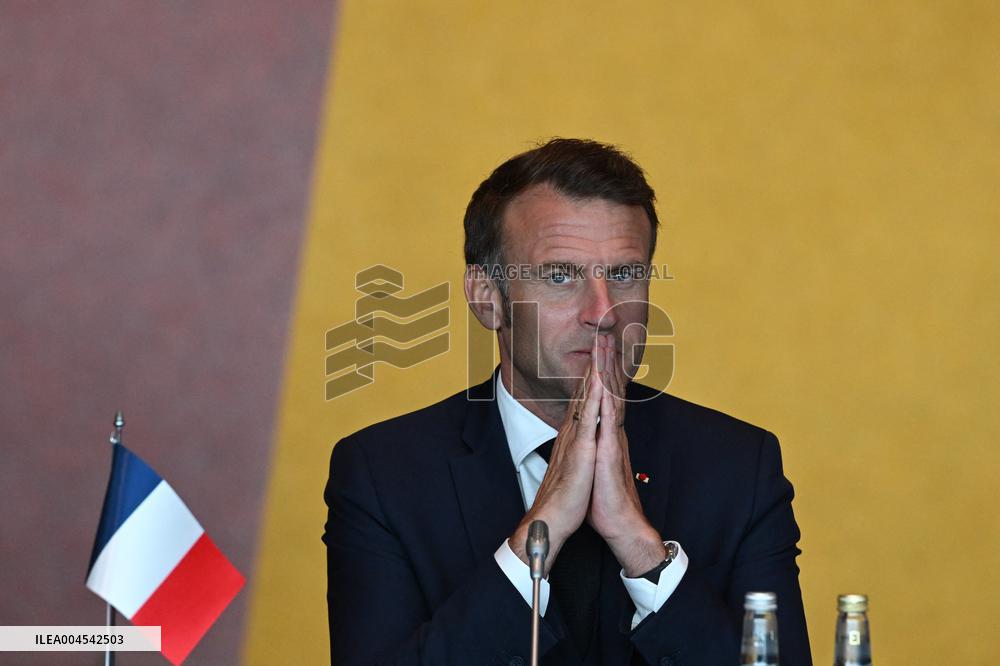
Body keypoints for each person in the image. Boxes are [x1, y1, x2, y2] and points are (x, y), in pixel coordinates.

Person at [323, 138, 811, 665]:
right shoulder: (383, 475)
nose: (602, 312)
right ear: (487, 298)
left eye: (624, 274)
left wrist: (643, 551)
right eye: (560, 276)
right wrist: (544, 528)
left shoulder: (739, 466)